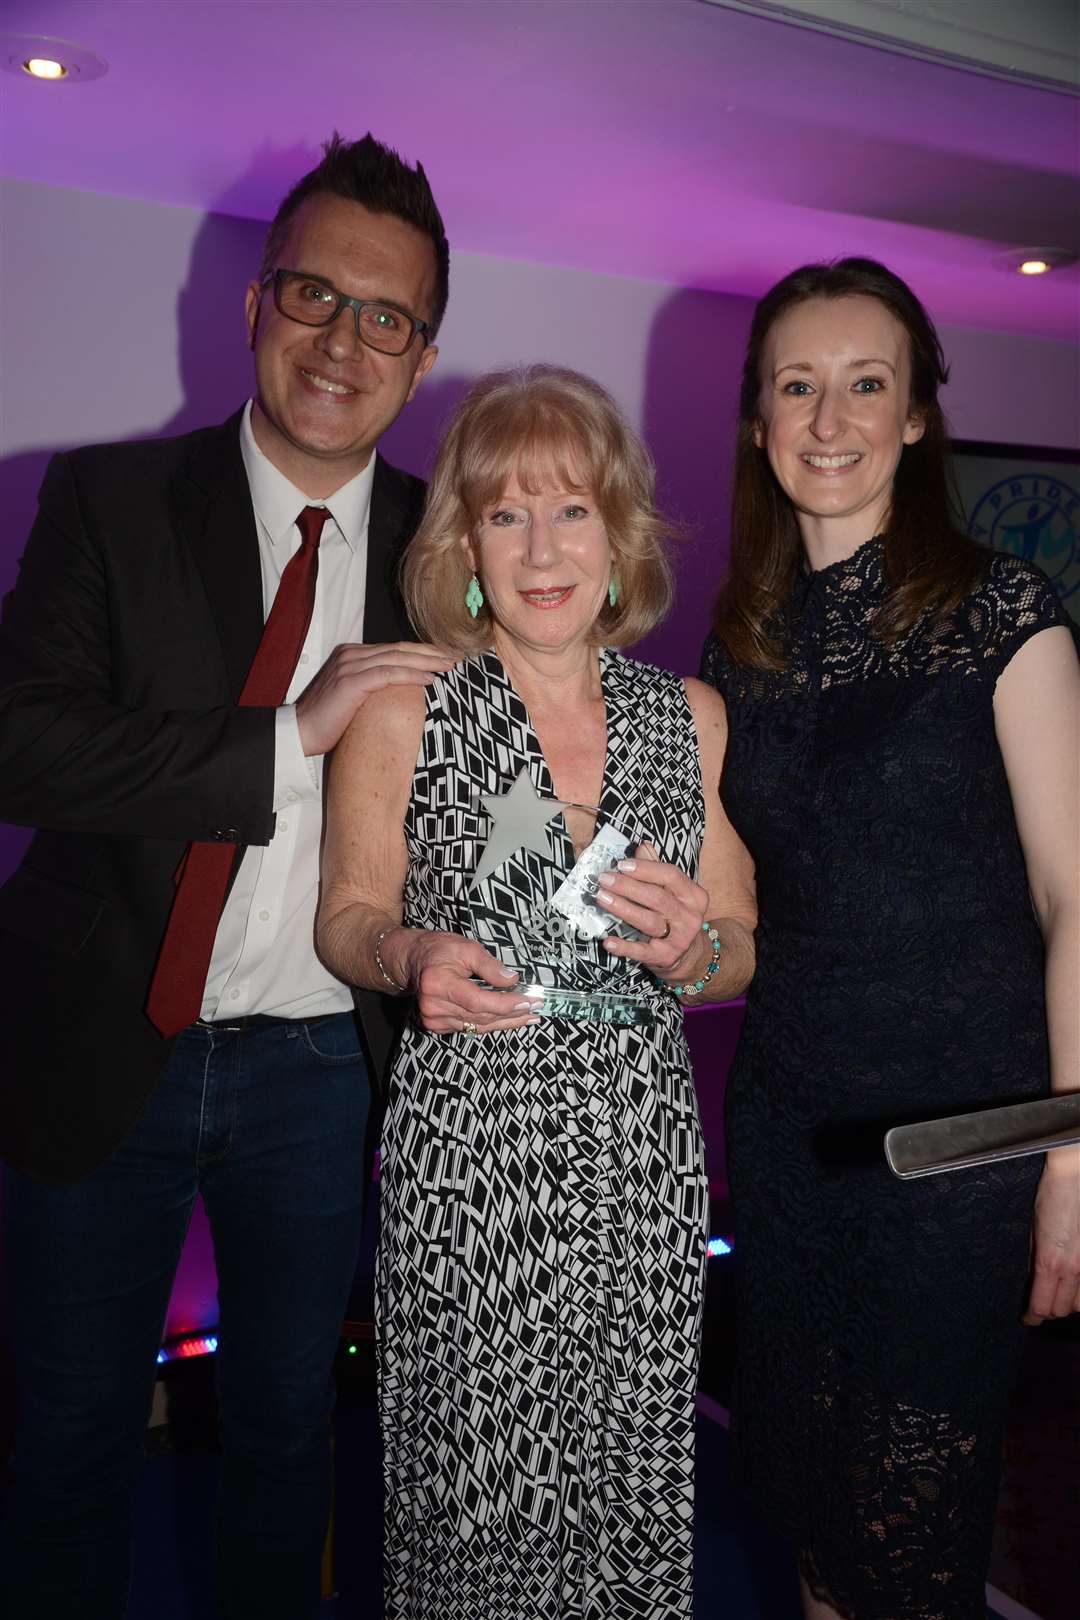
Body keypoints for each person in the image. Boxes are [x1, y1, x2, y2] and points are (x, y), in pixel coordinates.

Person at [0, 133, 453, 1619]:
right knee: (67, 1442)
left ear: (423, 348)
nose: (345, 340)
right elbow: (24, 745)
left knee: (282, 1437)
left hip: (327, 1067)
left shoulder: (453, 550)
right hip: (101, 1045)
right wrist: (287, 738)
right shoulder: (110, 502)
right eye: (315, 295)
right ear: (258, 304)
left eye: (385, 315)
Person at [316, 364, 757, 1618]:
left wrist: (694, 954)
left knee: (623, 1493)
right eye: (506, 515)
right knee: (474, 1505)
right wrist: (408, 959)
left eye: (572, 510)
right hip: (468, 1160)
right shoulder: (405, 704)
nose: (542, 546)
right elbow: (347, 915)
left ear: (620, 539)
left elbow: (741, 941)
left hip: (639, 1160)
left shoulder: (693, 718)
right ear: (464, 545)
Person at [699, 256, 1080, 1620]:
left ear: (919, 415)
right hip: (793, 1133)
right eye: (797, 385)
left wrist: (1072, 1156)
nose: (830, 416)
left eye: (869, 383)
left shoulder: (1006, 616)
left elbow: (1074, 898)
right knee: (804, 1512)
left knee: (909, 1544)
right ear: (757, 417)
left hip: (962, 1144)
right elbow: (727, 915)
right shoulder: (736, 648)